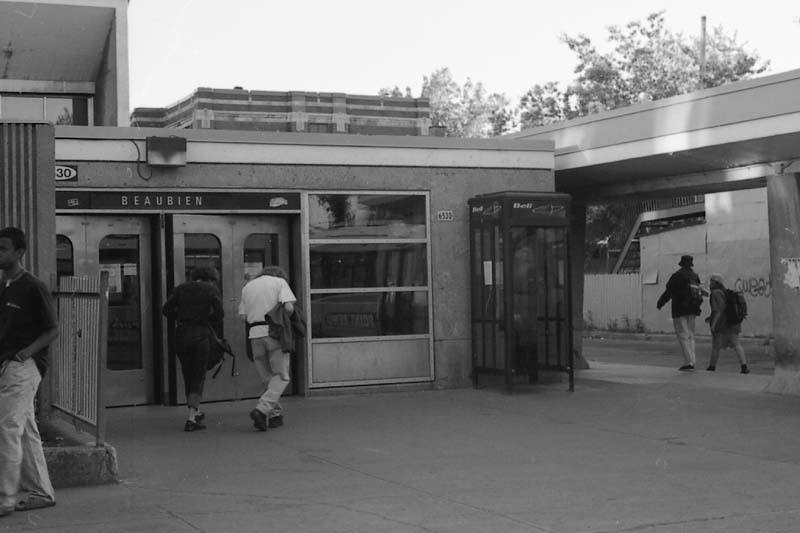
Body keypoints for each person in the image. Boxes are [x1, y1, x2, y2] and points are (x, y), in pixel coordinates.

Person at [0, 227, 57, 517]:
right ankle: (41, 491)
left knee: (7, 427)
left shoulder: (33, 286)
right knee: (24, 430)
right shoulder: (4, 285)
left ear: (19, 252)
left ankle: (5, 497)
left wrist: (26, 353)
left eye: (3, 248)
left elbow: (52, 330)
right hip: (6, 364)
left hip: (24, 366)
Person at [162, 267, 224, 432]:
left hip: (181, 333)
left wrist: (182, 317)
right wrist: (203, 318)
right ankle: (191, 417)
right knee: (198, 374)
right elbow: (219, 314)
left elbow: (166, 309)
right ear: (211, 278)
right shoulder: (211, 290)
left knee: (187, 373)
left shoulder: (181, 288)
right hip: (200, 334)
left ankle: (195, 410)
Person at [238, 266, 296, 431]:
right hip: (275, 333)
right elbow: (289, 308)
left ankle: (274, 415)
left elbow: (243, 317)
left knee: (267, 377)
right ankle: (261, 409)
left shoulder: (248, 287)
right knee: (282, 376)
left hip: (254, 335)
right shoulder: (279, 282)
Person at [657, 254, 704, 371]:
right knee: (691, 335)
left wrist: (661, 303)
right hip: (693, 309)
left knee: (682, 335)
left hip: (679, 309)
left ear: (681, 264)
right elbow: (699, 291)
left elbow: (669, 292)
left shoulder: (677, 276)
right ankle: (692, 359)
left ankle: (688, 362)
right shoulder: (695, 276)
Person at [705, 273, 750, 374]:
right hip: (733, 323)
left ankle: (712, 367)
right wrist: (710, 317)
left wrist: (713, 325)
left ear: (716, 282)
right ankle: (744, 367)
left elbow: (719, 310)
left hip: (722, 324)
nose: (710, 283)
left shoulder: (715, 293)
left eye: (711, 281)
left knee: (716, 346)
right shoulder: (725, 292)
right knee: (737, 344)